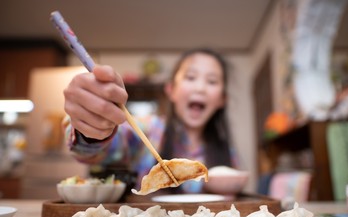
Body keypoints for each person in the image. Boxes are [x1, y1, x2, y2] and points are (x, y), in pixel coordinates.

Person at [63, 47, 241, 194]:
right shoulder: (148, 129)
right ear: (171, 90)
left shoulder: (227, 152)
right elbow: (103, 149)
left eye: (211, 81)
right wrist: (93, 130)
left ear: (222, 99)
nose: (200, 88)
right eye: (190, 77)